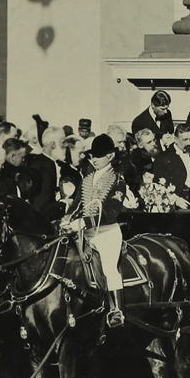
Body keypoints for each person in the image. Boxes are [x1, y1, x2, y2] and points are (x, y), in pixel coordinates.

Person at [66, 135, 133, 327]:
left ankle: (116, 310)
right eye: (92, 156)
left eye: (98, 156)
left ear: (110, 156)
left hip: (106, 233)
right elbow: (77, 205)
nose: (94, 159)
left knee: (109, 268)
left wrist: (84, 222)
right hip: (83, 232)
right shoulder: (86, 179)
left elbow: (111, 213)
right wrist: (68, 219)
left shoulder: (118, 181)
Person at [152, 123, 190, 201]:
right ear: (176, 139)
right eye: (185, 140)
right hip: (176, 203)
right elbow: (159, 186)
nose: (189, 143)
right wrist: (175, 200)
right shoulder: (163, 158)